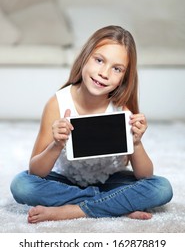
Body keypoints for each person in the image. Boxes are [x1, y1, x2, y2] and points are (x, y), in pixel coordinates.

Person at [10, 25, 173, 223]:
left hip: (111, 182)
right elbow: (35, 171)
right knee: (21, 185)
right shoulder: (57, 103)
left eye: (117, 69)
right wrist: (57, 144)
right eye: (99, 60)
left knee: (162, 188)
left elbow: (145, 175)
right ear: (85, 58)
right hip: (67, 182)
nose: (104, 73)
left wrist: (136, 143)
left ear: (124, 77)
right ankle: (114, 205)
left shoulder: (122, 106)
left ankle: (74, 210)